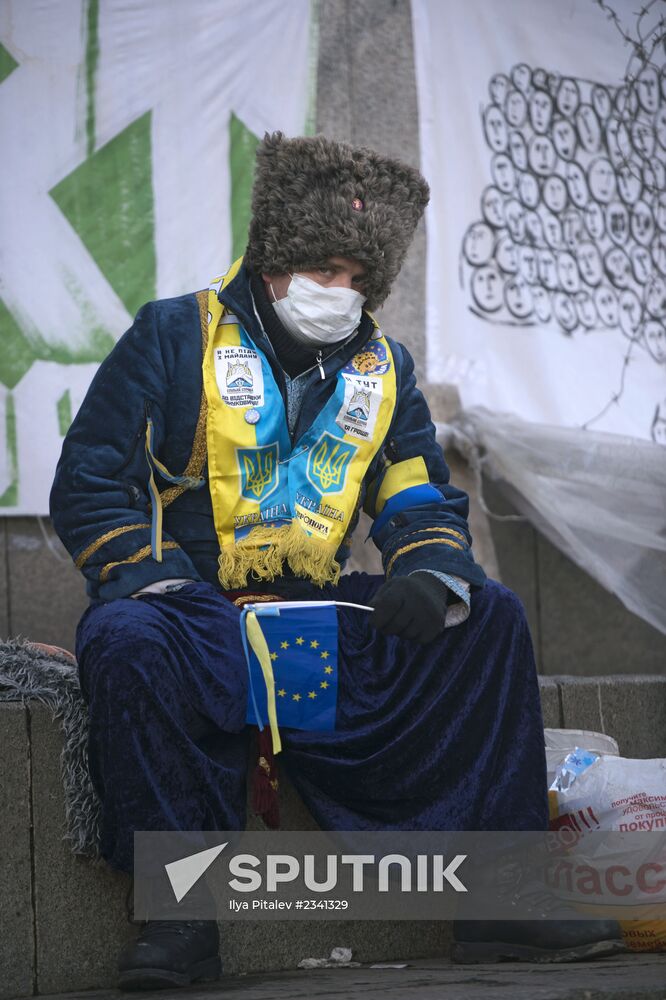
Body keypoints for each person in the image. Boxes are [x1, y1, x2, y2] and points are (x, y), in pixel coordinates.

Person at [50, 133, 621, 990]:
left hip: (317, 623)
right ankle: (180, 922)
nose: (342, 293)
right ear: (274, 257)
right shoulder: (171, 336)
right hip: (189, 614)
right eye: (326, 268)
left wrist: (431, 573)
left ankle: (498, 893)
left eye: (362, 279)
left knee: (488, 616)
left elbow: (419, 498)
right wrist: (159, 585)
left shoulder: (385, 370)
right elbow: (93, 485)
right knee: (128, 640)